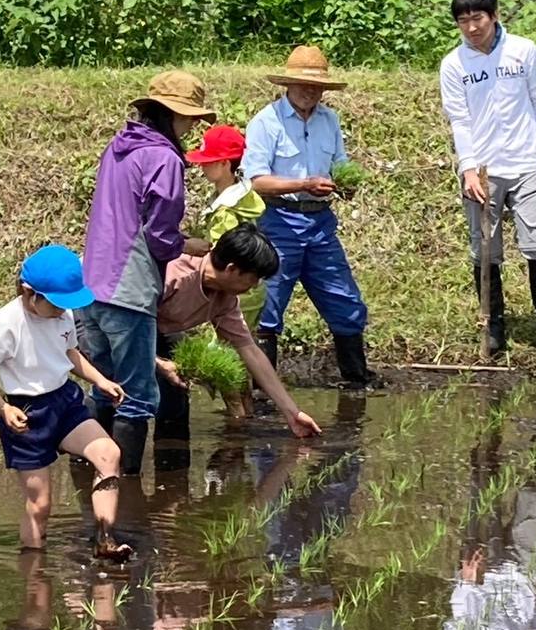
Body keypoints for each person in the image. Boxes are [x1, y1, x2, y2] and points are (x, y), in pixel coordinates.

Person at [80, 71, 215, 474]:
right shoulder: (165, 159)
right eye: (189, 119)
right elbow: (159, 235)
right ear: (171, 115)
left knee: (103, 387)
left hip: (90, 286)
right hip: (128, 288)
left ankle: (90, 481)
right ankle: (125, 491)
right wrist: (187, 245)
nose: (191, 127)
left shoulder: (118, 148)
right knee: (136, 397)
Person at [0, 245, 131, 560]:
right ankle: (34, 570)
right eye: (57, 304)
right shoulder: (7, 324)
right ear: (30, 294)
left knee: (108, 454)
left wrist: (100, 380)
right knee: (41, 503)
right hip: (26, 412)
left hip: (64, 400)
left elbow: (70, 354)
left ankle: (105, 540)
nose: (62, 311)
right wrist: (3, 408)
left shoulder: (64, 314)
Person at [439, 0, 536, 355]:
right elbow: (460, 122)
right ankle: (495, 324)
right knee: (485, 250)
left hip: (525, 164)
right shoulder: (454, 65)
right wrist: (468, 170)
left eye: (477, 18)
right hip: (482, 170)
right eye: (463, 21)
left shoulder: (523, 51)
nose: (471, 28)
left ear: (495, 16)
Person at [242, 46, 376, 387]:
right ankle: (262, 389)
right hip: (279, 222)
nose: (310, 91)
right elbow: (257, 181)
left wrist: (346, 183)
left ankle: (356, 380)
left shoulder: (329, 121)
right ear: (288, 84)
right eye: (303, 84)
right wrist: (302, 183)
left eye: (316, 86)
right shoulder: (266, 122)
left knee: (344, 299)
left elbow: (341, 165)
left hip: (320, 224)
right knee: (269, 305)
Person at [154, 224, 321, 439]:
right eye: (253, 278)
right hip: (111, 316)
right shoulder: (172, 275)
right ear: (232, 269)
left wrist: (292, 412)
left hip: (157, 328)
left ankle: (172, 463)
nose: (254, 286)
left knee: (175, 402)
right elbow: (121, 323)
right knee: (122, 398)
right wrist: (157, 362)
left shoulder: (225, 298)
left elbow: (249, 350)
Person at [186, 124, 267, 330]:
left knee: (230, 353)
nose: (202, 167)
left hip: (236, 292)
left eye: (207, 162)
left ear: (223, 163)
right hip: (242, 289)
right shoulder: (238, 197)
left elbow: (221, 256)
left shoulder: (229, 210)